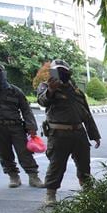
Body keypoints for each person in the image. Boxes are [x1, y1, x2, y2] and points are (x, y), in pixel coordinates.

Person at [36, 59, 101, 205]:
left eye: (63, 71)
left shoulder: (76, 91)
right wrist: (51, 90)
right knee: (56, 165)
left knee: (84, 165)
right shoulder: (46, 87)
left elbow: (86, 114)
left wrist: (94, 135)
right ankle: (50, 194)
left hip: (78, 133)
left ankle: (88, 190)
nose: (61, 74)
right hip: (58, 135)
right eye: (57, 71)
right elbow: (42, 101)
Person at [0, 59, 43, 188]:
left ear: (3, 72)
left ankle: (33, 176)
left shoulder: (15, 91)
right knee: (3, 153)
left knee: (24, 152)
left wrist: (31, 127)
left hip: (16, 126)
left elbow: (26, 110)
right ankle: (13, 176)